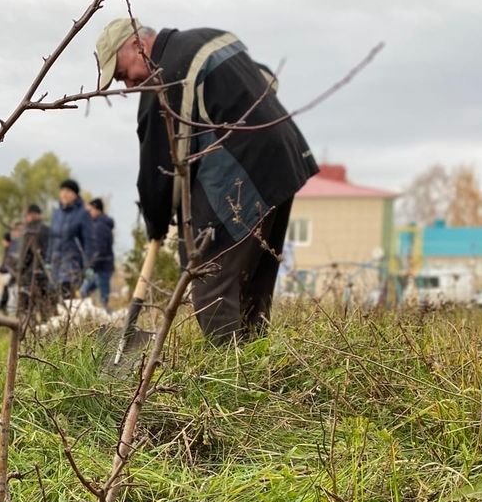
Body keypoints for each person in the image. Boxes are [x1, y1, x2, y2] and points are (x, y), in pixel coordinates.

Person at [94, 18, 318, 343]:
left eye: (122, 73)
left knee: (209, 280)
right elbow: (266, 78)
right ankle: (257, 369)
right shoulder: (210, 38)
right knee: (251, 281)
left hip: (243, 173)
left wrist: (156, 224)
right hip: (284, 159)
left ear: (135, 45)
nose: (127, 86)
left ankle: (229, 384)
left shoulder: (165, 78)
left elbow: (160, 169)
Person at [48, 179, 91, 298]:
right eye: (62, 191)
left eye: (68, 191)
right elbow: (52, 239)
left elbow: (89, 242)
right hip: (56, 263)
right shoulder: (56, 214)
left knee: (67, 296)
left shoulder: (83, 214)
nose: (64, 194)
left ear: (75, 194)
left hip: (73, 264)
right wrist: (47, 261)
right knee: (53, 297)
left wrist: (89, 265)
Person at [13, 203, 51, 319]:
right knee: (44, 306)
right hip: (45, 274)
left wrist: (19, 270)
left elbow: (25, 255)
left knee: (26, 308)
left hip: (30, 275)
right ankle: (47, 330)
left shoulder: (28, 231)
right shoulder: (48, 230)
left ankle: (29, 332)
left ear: (31, 215)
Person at [83, 197, 116, 308]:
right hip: (99, 267)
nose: (89, 213)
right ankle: (91, 316)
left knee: (103, 298)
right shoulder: (97, 224)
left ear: (97, 209)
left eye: (90, 210)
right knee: (84, 292)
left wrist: (91, 266)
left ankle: (105, 320)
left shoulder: (100, 226)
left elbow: (99, 249)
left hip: (102, 267)